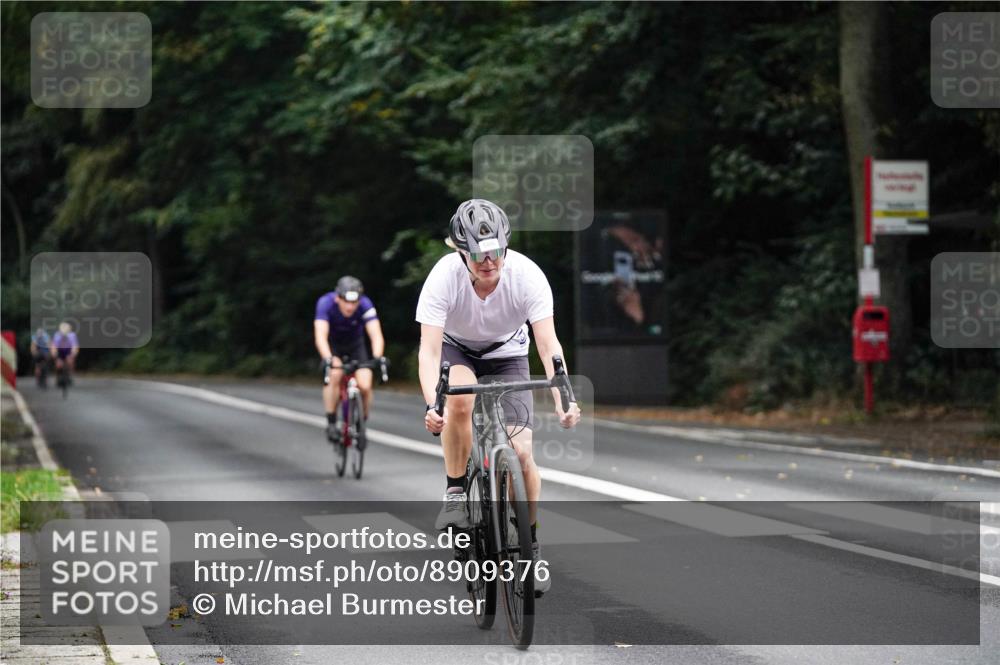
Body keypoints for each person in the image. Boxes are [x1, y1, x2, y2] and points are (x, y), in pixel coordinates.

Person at [416, 198, 581, 596]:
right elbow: (429, 352)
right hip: (456, 351)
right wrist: (433, 404)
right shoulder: (443, 278)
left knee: (521, 454)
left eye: (496, 252)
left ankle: (530, 549)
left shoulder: (527, 276)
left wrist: (564, 395)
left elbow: (548, 345)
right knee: (459, 401)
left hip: (508, 354)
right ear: (461, 252)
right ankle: (456, 491)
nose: (489, 262)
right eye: (478, 255)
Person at [314, 276, 386, 443]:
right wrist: (328, 358)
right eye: (346, 301)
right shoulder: (325, 303)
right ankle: (332, 422)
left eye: (354, 302)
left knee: (365, 384)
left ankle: (361, 424)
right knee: (334, 374)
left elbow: (376, 335)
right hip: (334, 346)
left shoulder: (365, 304)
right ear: (337, 298)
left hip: (356, 345)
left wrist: (377, 357)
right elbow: (320, 336)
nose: (350, 306)